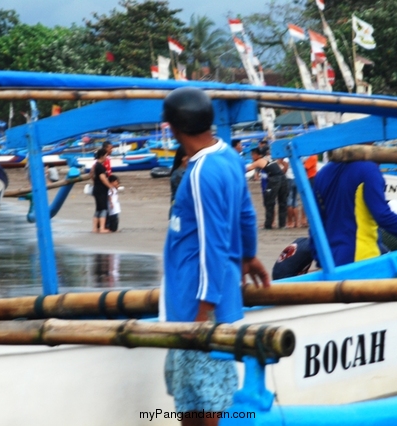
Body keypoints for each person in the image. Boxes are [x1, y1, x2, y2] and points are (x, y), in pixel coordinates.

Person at [159, 87, 270, 426]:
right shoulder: (231, 158)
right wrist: (249, 256)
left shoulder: (200, 173)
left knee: (201, 401)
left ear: (173, 129)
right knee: (202, 398)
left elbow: (214, 243)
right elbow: (246, 214)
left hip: (195, 305)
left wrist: (203, 309)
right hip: (205, 301)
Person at [246, 147, 288, 229]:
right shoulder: (268, 158)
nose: (251, 157)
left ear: (256, 155)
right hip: (283, 178)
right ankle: (282, 224)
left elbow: (247, 169)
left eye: (252, 155)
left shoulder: (259, 161)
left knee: (269, 202)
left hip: (274, 179)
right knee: (282, 202)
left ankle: (268, 225)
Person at [92, 148, 111, 233]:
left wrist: (95, 182)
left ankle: (95, 228)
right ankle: (102, 228)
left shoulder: (95, 165)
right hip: (101, 190)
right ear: (102, 156)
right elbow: (103, 178)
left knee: (98, 209)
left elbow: (91, 175)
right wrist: (110, 186)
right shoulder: (100, 166)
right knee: (103, 208)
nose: (106, 157)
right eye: (106, 155)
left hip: (96, 189)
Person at [299, 154, 318, 228]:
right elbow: (305, 167)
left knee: (308, 199)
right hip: (310, 178)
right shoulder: (312, 156)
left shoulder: (312, 156)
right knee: (308, 199)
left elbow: (305, 167)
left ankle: (304, 219)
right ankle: (304, 219)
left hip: (311, 178)